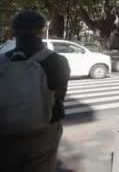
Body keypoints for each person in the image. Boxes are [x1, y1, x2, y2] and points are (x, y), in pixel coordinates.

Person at [0, 11, 71, 172]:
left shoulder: (2, 61)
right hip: (43, 132)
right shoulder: (57, 62)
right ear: (42, 31)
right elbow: (59, 97)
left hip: (5, 132)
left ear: (13, 32)